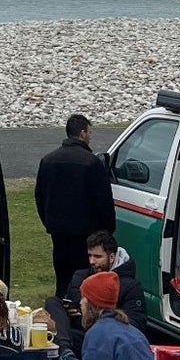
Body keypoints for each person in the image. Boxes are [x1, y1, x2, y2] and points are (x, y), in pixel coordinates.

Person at [35, 114, 115, 297]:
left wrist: (49, 222)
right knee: (85, 278)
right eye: (89, 132)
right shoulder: (91, 163)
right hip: (85, 234)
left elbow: (39, 196)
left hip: (58, 232)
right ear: (82, 133)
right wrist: (107, 231)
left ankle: (61, 310)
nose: (90, 136)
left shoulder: (48, 160)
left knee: (62, 276)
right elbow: (103, 201)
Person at [45, 230, 146, 353]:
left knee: (53, 335)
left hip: (105, 338)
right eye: (90, 255)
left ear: (112, 257)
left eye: (98, 256)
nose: (92, 261)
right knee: (52, 303)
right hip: (76, 332)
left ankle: (65, 353)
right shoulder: (80, 276)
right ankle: (65, 351)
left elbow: (135, 325)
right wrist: (71, 312)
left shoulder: (130, 286)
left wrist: (91, 315)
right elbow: (67, 303)